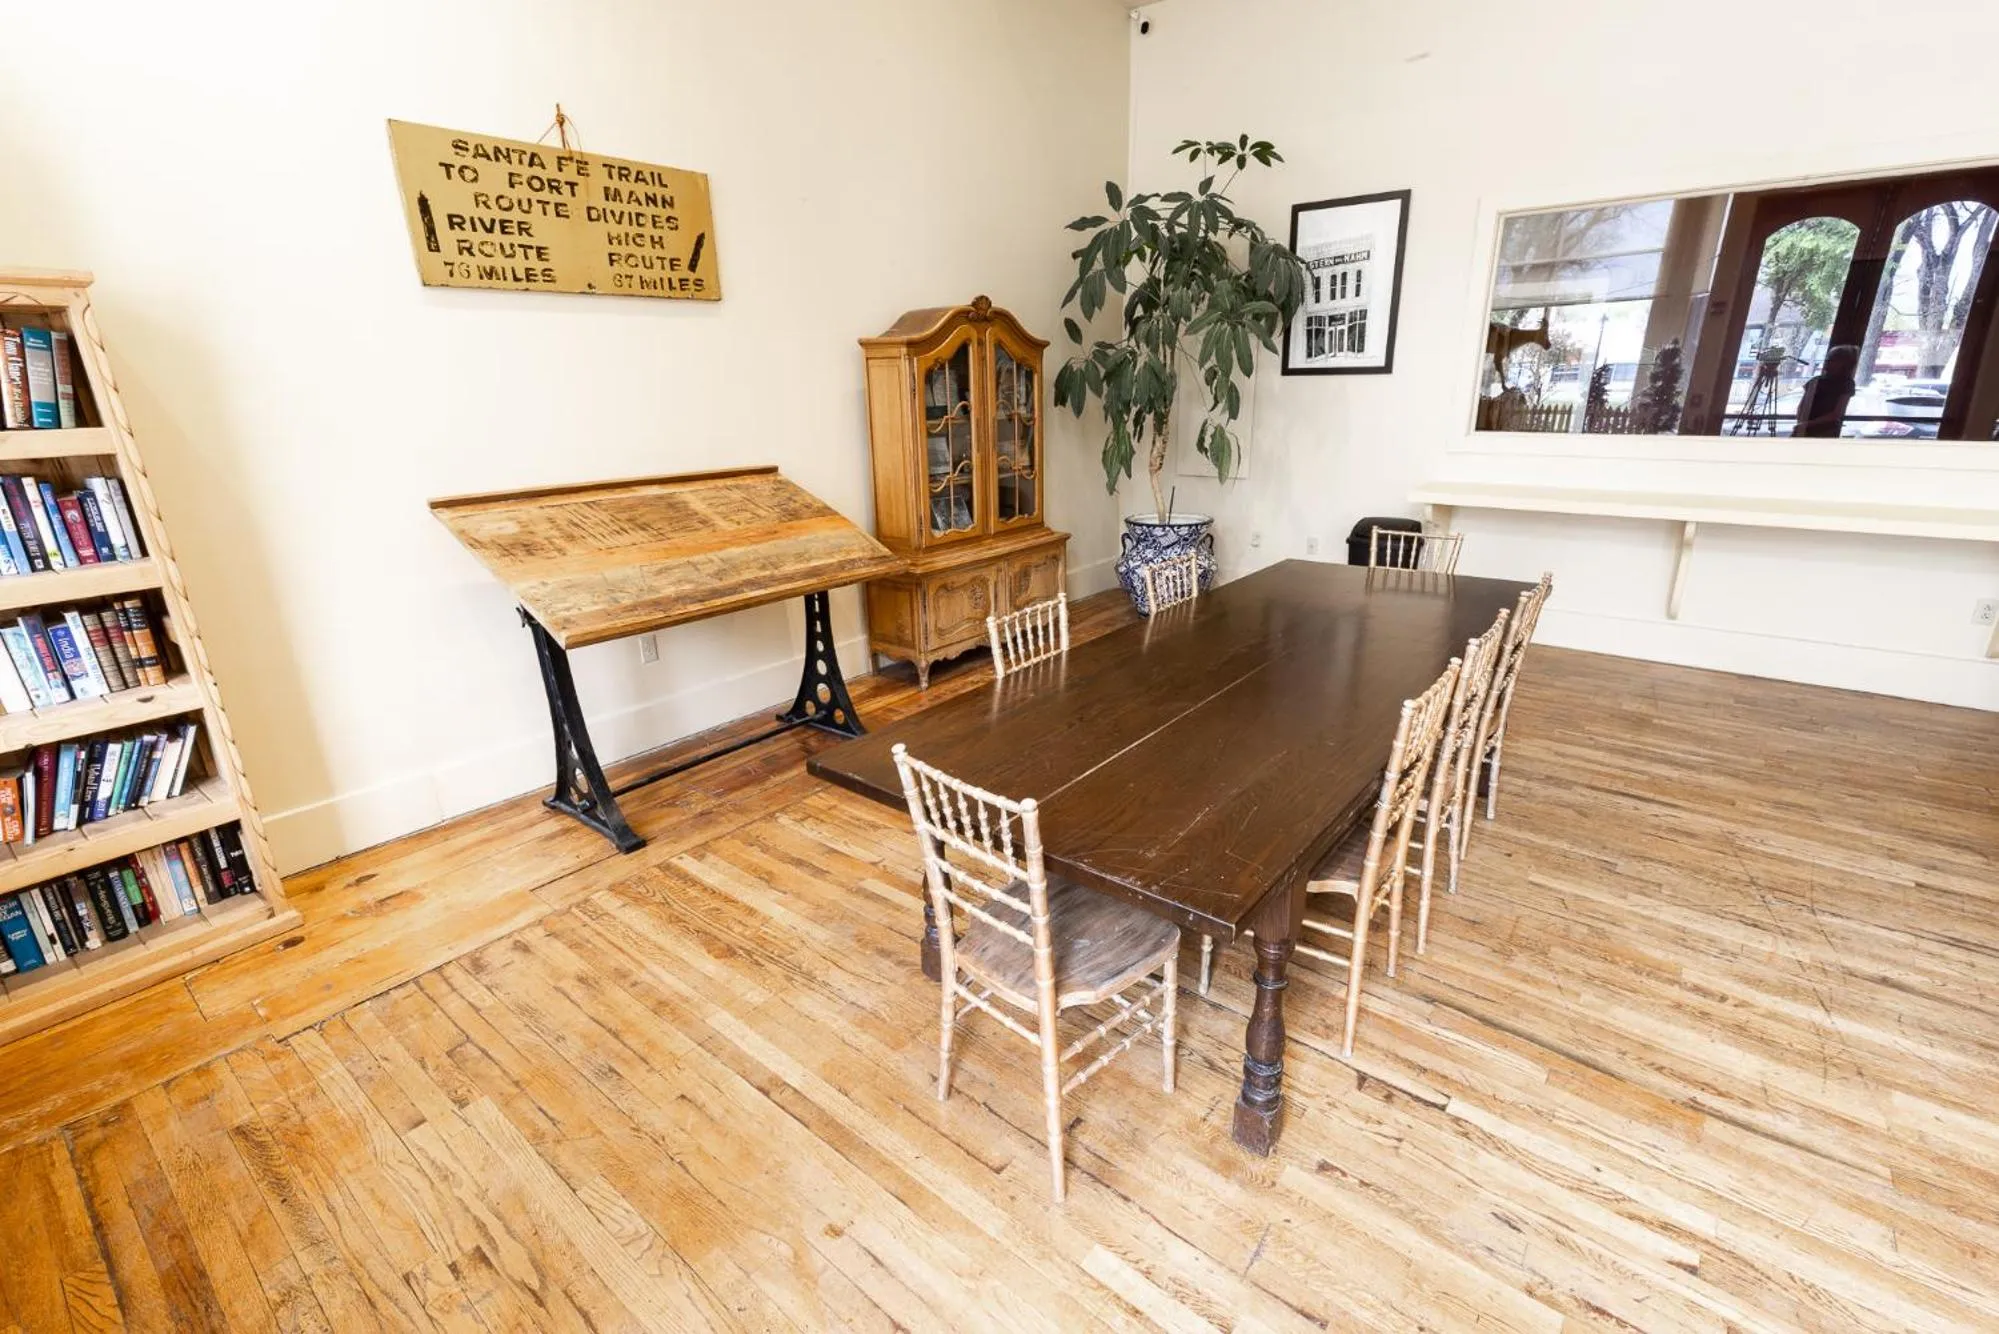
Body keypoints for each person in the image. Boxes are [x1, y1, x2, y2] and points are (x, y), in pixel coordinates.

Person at [1794, 344, 1859, 438]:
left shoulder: (1846, 384)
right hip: (1807, 428)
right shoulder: (1815, 381)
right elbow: (1802, 407)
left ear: (1844, 364)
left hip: (1825, 431)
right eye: (1828, 359)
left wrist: (1806, 424)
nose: (1827, 362)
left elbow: (1837, 413)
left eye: (1833, 359)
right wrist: (1802, 423)